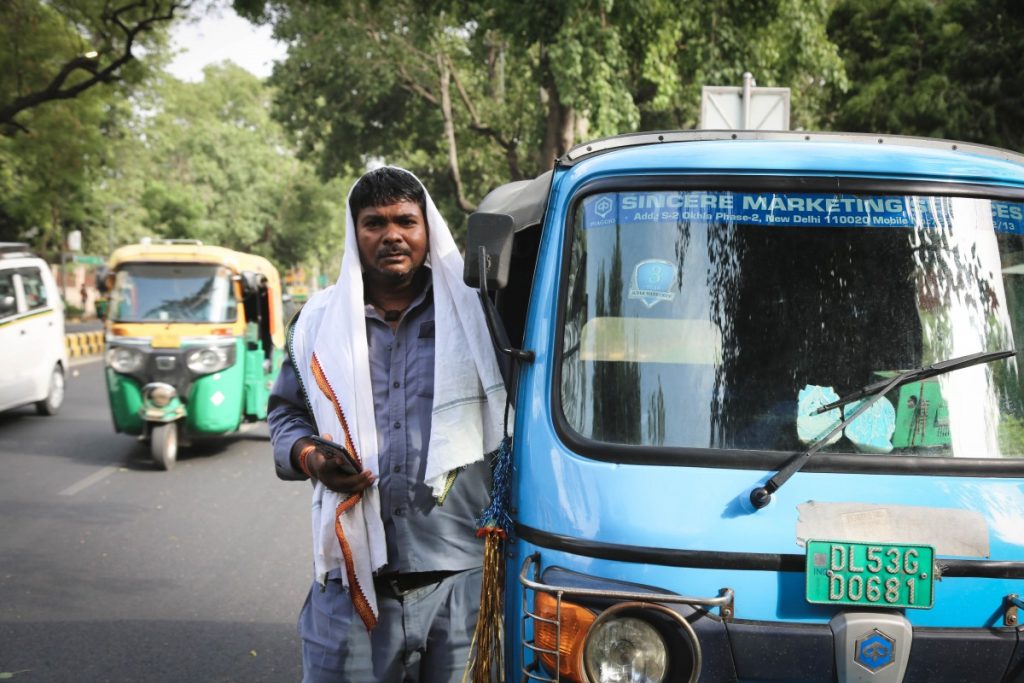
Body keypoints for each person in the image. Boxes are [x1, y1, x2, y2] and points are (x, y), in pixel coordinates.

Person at [268, 167, 507, 682]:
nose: (392, 235)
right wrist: (308, 456)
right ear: (355, 235)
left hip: (460, 574)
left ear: (427, 231)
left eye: (405, 221)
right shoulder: (318, 322)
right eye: (374, 223)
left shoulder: (480, 314)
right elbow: (287, 412)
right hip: (352, 571)